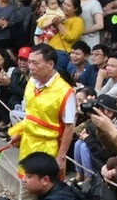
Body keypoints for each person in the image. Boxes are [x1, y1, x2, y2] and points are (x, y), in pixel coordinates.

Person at [10, 45, 78, 173]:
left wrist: (61, 157)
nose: (30, 66)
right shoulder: (31, 83)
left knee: (45, 187)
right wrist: (20, 133)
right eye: (29, 62)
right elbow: (30, 114)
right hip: (27, 145)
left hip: (49, 149)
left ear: (50, 64)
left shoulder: (65, 92)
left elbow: (69, 126)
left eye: (35, 63)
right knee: (26, 185)